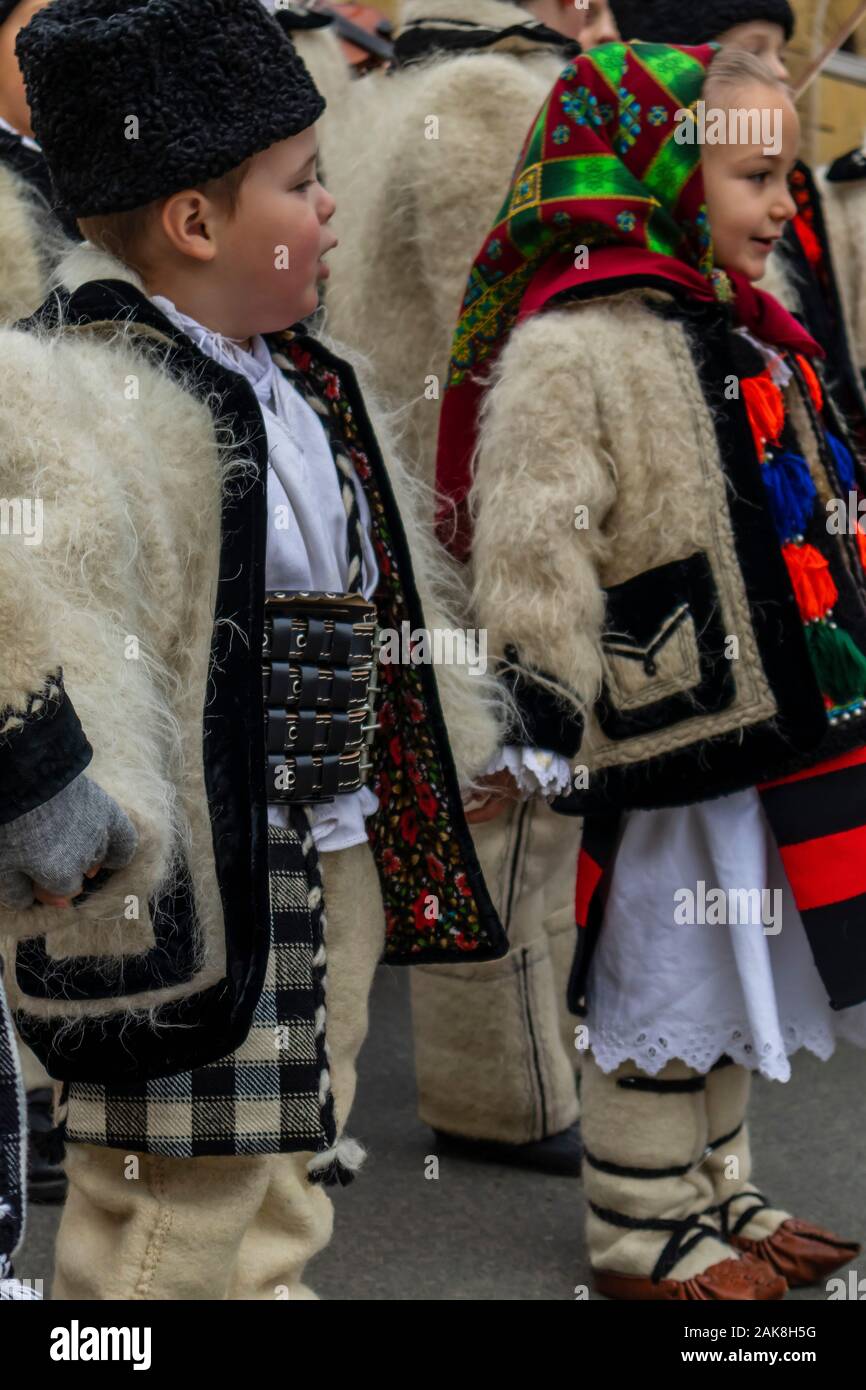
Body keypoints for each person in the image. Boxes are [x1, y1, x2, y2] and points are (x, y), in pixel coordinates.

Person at [0, 0, 508, 1300]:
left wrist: (458, 738)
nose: (334, 207)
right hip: (167, 880)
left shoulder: (307, 377)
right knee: (170, 1197)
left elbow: (377, 577)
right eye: (303, 182)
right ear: (195, 223)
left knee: (290, 1145)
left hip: (322, 839)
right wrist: (48, 790)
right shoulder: (66, 386)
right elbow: (24, 600)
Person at [437, 40, 866, 1299]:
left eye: (787, 176)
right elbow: (531, 538)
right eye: (751, 176)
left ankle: (711, 1188)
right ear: (656, 170)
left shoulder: (748, 327)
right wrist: (533, 704)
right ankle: (636, 1220)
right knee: (661, 972)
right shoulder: (577, 347)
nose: (782, 204)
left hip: (764, 734)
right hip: (657, 727)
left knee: (741, 965)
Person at [324, 0, 619, 1179]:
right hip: (463, 503)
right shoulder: (496, 97)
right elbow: (494, 336)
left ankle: (515, 1075)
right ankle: (505, 1091)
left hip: (399, 493)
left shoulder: (390, 96)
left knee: (480, 802)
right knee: (512, 815)